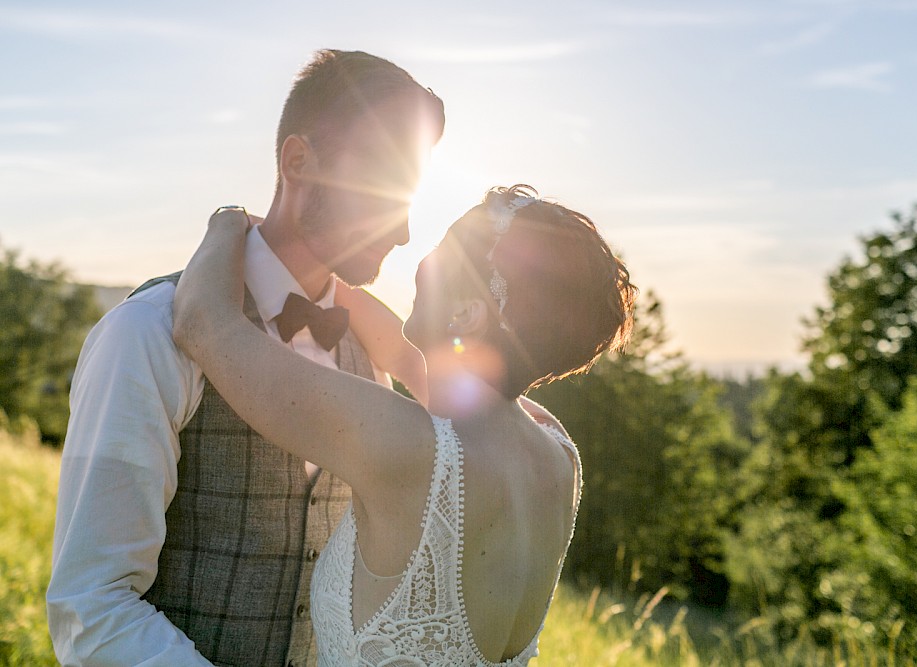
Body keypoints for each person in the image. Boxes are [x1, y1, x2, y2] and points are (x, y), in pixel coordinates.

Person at [47, 50, 445, 667]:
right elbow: (91, 606)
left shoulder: (370, 353)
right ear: (298, 162)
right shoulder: (145, 335)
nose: (403, 232)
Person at [171, 185, 637, 665]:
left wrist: (228, 220)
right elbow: (409, 350)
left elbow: (202, 323)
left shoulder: (406, 446)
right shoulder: (557, 452)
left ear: (467, 313)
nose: (422, 259)